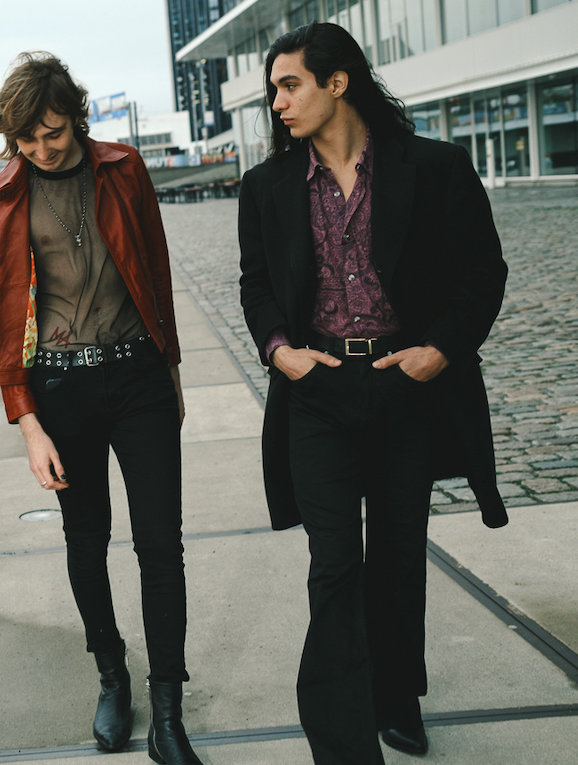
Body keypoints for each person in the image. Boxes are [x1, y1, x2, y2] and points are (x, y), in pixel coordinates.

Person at [238, 23, 508, 764]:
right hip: (317, 391)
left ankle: (396, 694)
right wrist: (280, 351)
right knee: (334, 564)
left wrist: (440, 350)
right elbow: (256, 284)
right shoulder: (266, 186)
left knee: (396, 555)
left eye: (289, 85)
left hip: (404, 386)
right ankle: (344, 742)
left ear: (337, 82)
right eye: (273, 89)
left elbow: (482, 272)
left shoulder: (436, 167)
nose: (277, 102)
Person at [0, 53, 203, 765]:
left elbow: (156, 270)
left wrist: (171, 371)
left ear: (76, 116)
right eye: (27, 138)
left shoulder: (123, 168)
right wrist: (27, 422)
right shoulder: (2, 198)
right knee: (86, 540)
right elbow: (0, 318)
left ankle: (168, 708)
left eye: (53, 132)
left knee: (161, 544)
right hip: (61, 389)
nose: (43, 149)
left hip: (138, 377)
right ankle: (111, 674)